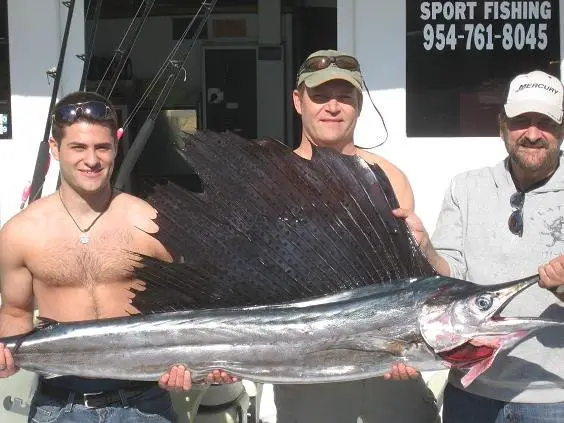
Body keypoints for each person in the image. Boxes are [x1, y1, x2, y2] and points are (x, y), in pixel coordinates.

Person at [0, 91, 234, 422]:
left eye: (102, 147)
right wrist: (5, 355)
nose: (91, 160)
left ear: (116, 147)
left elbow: (187, 311)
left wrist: (197, 366)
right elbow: (15, 311)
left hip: (144, 403)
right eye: (78, 147)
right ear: (55, 149)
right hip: (60, 405)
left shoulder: (151, 222)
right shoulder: (19, 232)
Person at [273, 49, 439, 423]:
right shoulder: (273, 180)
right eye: (320, 96)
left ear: (358, 105)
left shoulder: (388, 177)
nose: (333, 107)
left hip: (388, 373)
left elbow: (414, 284)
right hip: (309, 381)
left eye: (344, 97)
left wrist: (424, 246)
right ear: (298, 101)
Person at [393, 69, 564, 422]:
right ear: (503, 126)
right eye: (521, 121)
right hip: (470, 395)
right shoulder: (465, 187)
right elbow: (450, 278)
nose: (532, 134)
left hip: (555, 399)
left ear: (561, 129)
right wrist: (425, 248)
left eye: (544, 122)